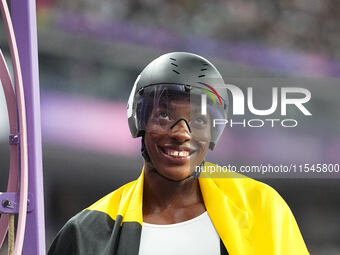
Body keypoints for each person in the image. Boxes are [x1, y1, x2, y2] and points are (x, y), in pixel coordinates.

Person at [48, 52, 310, 255]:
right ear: (138, 120)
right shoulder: (84, 233)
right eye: (164, 115)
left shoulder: (263, 208)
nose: (182, 133)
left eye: (198, 120)